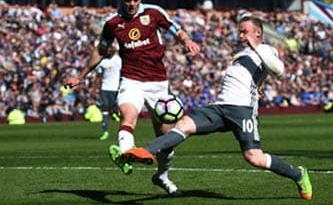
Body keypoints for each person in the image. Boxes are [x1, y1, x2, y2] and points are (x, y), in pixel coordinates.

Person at [119, 16, 313, 200]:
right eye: (240, 32)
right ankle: (145, 151)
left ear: (258, 34)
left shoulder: (266, 49)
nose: (241, 36)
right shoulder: (242, 54)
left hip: (242, 111)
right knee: (184, 124)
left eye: (245, 32)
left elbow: (278, 70)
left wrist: (255, 48)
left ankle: (298, 174)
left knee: (254, 157)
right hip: (219, 107)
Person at [64, 0, 200, 196]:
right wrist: (81, 76)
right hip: (131, 80)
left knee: (167, 140)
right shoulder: (113, 23)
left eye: (135, 0)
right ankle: (126, 154)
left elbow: (176, 29)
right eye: (128, 0)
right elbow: (101, 50)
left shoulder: (154, 13)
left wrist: (186, 40)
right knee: (129, 117)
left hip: (158, 84)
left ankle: (162, 176)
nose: (132, 4)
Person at [96, 44, 122, 140]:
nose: (110, 50)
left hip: (115, 89)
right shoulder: (103, 62)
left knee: (117, 109)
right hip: (105, 89)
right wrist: (94, 89)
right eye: (109, 48)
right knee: (105, 110)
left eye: (112, 48)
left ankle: (123, 132)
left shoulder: (118, 60)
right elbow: (99, 77)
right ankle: (105, 131)